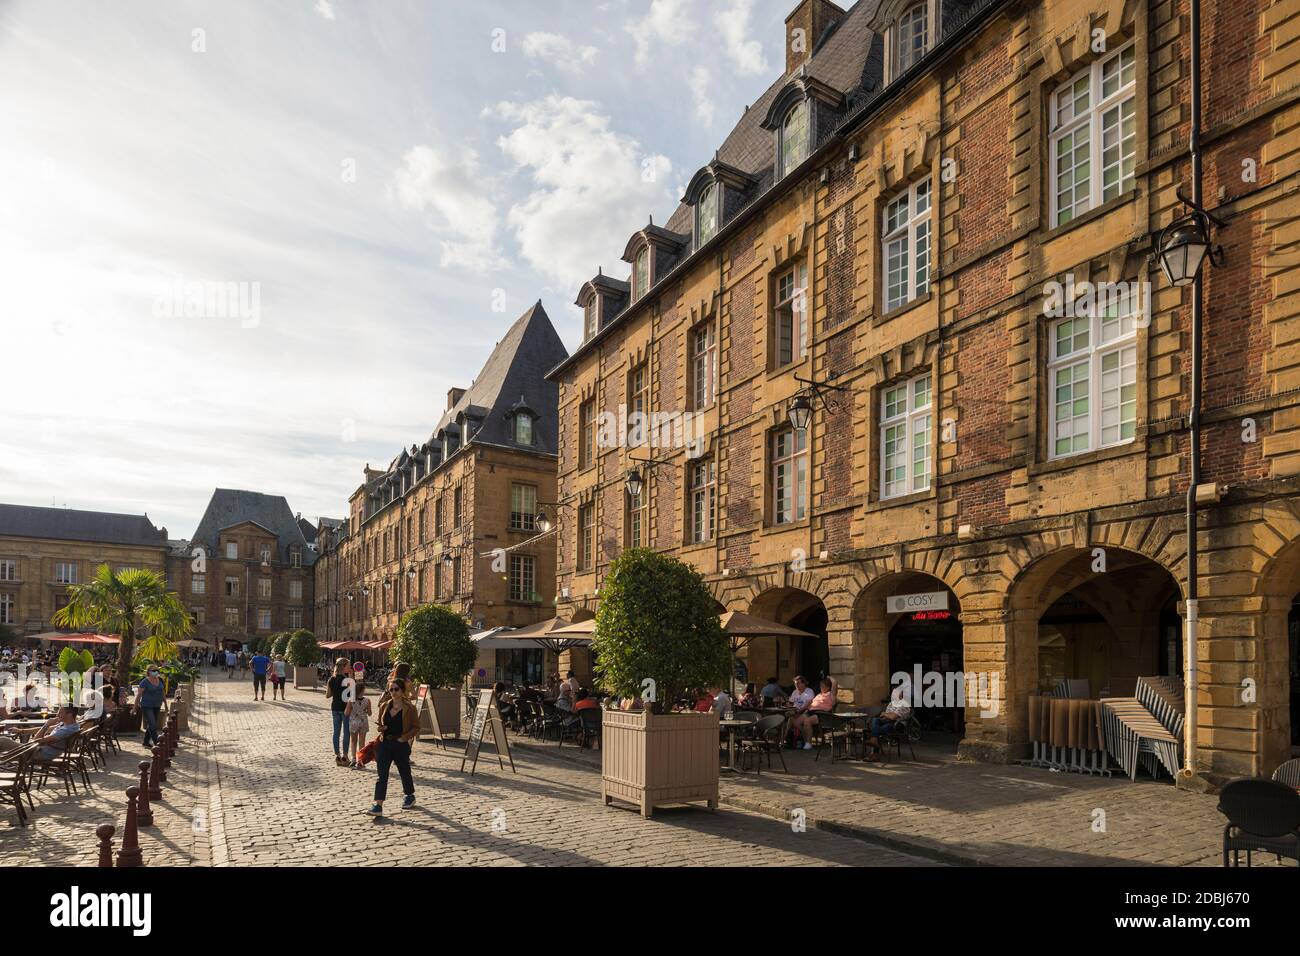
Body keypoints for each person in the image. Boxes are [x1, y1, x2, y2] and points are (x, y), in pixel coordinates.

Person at [367, 678, 418, 816]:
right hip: (385, 743)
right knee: (381, 775)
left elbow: (416, 727)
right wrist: (381, 728)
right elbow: (380, 724)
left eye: (396, 689)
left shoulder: (410, 708)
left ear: (402, 691)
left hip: (400, 744)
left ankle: (409, 795)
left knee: (404, 771)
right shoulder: (385, 706)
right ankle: (378, 805)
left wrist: (404, 738)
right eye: (391, 689)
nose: (393, 692)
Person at [867, 684, 914, 762]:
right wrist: (886, 716)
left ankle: (874, 748)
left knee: (876, 730)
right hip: (888, 722)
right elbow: (887, 716)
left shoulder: (904, 704)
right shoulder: (891, 704)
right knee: (876, 720)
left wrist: (885, 714)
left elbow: (893, 717)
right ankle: (874, 741)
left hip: (898, 726)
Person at [792, 677, 837, 750]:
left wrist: (830, 677)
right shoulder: (819, 694)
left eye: (823, 686)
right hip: (811, 712)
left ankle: (809, 743)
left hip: (822, 714)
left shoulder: (831, 694)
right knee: (795, 722)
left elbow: (834, 683)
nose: (821, 688)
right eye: (821, 686)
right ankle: (806, 739)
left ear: (828, 687)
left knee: (807, 721)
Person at [325, 658, 353, 766]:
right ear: (344, 667)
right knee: (346, 732)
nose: (350, 667)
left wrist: (335, 690)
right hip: (345, 709)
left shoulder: (331, 679)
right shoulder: (347, 680)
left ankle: (337, 756)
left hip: (335, 708)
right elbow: (352, 695)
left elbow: (328, 695)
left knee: (336, 732)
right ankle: (345, 756)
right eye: (349, 665)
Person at [135, 666, 166, 748]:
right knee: (153, 724)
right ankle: (157, 743)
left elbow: (163, 692)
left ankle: (145, 741)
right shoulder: (144, 682)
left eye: (157, 670)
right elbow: (139, 695)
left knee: (152, 724)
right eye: (153, 670)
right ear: (148, 671)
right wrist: (135, 708)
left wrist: (166, 704)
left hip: (157, 705)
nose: (155, 672)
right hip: (146, 706)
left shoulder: (160, 680)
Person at [345, 680, 371, 768]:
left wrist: (353, 711)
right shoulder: (367, 700)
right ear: (362, 690)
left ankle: (353, 759)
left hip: (353, 722)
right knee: (362, 741)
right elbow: (370, 713)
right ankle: (360, 760)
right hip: (363, 722)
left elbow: (346, 713)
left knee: (353, 741)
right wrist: (365, 711)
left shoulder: (351, 700)